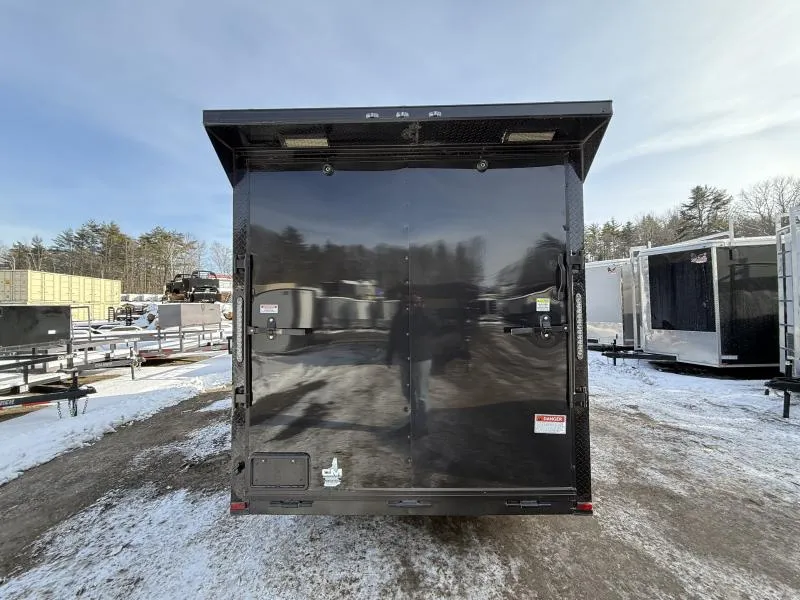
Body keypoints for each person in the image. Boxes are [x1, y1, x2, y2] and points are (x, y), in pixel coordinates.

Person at [385, 291, 436, 436]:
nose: (409, 306)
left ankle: (421, 427)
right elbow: (393, 337)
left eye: (413, 303)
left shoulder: (424, 316)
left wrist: (421, 311)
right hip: (404, 359)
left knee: (421, 394)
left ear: (419, 303)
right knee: (407, 391)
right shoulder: (399, 317)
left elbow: (435, 326)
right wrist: (389, 355)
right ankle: (414, 422)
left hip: (421, 359)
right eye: (406, 303)